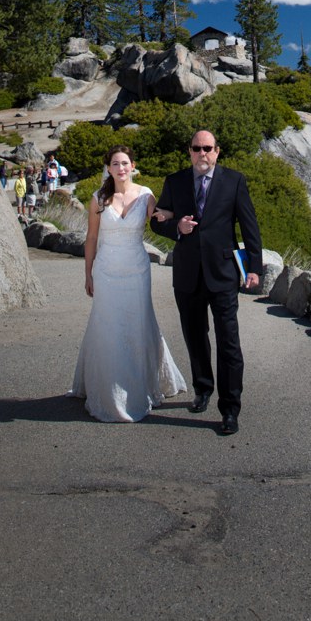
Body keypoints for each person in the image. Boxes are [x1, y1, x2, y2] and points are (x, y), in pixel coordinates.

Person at [153, 128, 262, 437]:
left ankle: (230, 408)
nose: (202, 154)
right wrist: (178, 227)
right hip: (187, 275)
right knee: (195, 336)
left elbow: (249, 225)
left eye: (208, 148)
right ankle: (203, 388)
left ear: (217, 151)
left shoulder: (234, 181)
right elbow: (157, 221)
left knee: (229, 342)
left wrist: (255, 267)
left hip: (223, 273)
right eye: (197, 148)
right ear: (189, 151)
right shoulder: (174, 182)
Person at [70, 144, 186, 423]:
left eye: (125, 163)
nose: (121, 168)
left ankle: (140, 386)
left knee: (138, 323)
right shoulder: (99, 198)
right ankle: (107, 388)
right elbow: (92, 239)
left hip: (136, 270)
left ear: (133, 165)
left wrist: (173, 217)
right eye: (115, 164)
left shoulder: (145, 194)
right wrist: (88, 273)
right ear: (108, 168)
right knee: (107, 325)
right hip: (106, 271)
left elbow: (159, 218)